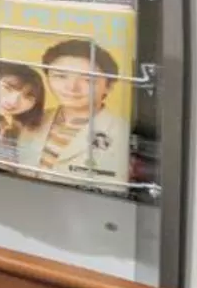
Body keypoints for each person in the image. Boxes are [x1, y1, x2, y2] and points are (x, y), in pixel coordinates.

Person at [31, 39, 129, 185]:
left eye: (87, 80)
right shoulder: (32, 119)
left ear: (109, 86)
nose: (71, 87)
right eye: (60, 76)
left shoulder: (124, 134)